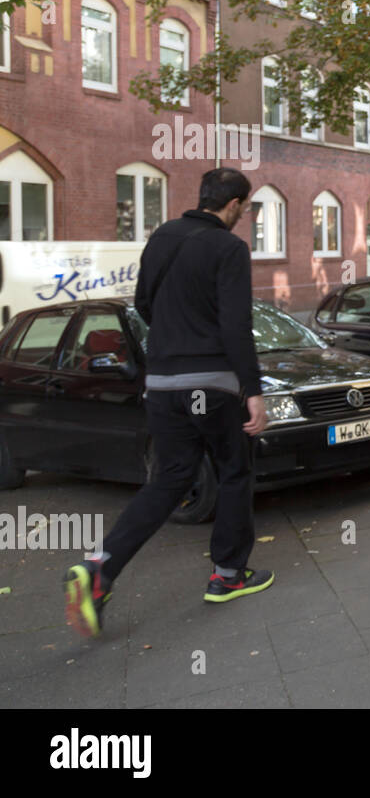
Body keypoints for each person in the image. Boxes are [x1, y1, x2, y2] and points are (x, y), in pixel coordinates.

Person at [64, 167, 273, 638]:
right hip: (212, 384)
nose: (245, 215)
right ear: (235, 204)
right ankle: (227, 575)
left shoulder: (162, 237)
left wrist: (176, 337)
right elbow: (236, 325)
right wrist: (253, 389)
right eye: (246, 207)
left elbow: (143, 303)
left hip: (161, 383)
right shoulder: (229, 248)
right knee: (235, 469)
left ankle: (100, 568)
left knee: (169, 480)